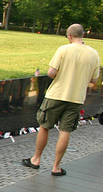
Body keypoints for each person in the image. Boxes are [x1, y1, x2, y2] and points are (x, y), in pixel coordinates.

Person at [22, 23, 100, 176]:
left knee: (45, 126)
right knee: (65, 131)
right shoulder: (93, 54)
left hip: (56, 95)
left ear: (69, 36)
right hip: (76, 98)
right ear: (83, 35)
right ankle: (56, 167)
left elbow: (51, 72)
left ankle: (36, 159)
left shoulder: (64, 49)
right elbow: (94, 80)